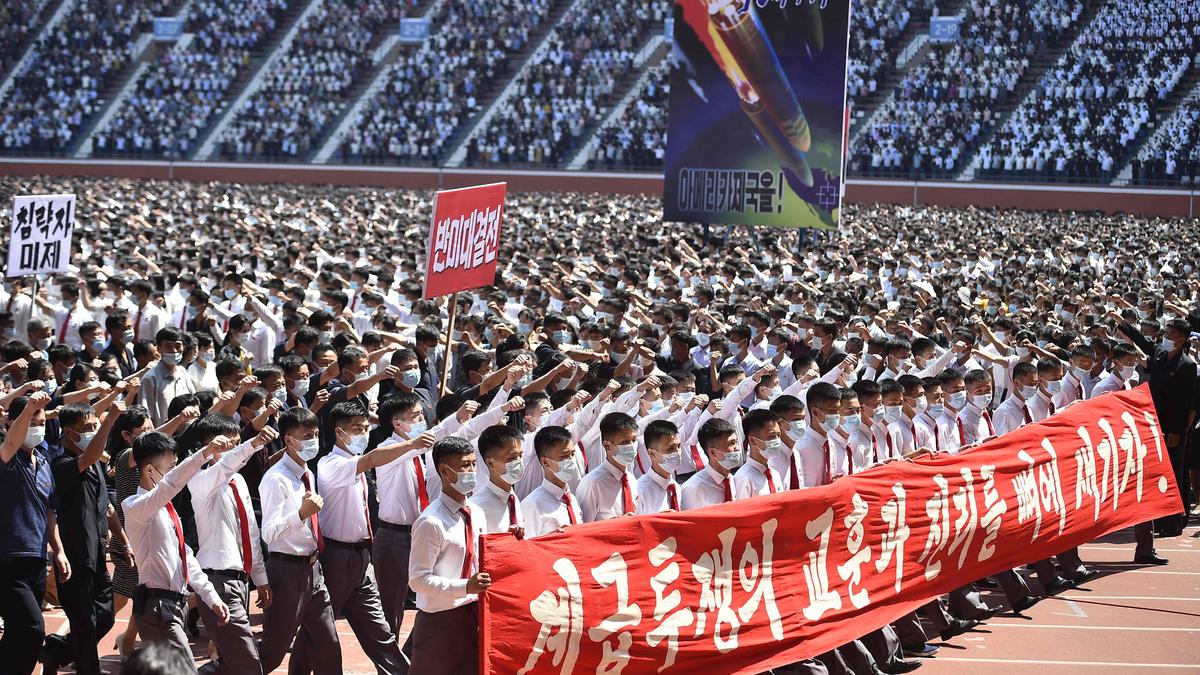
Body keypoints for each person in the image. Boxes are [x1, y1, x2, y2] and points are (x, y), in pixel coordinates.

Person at [307, 402, 407, 673]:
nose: (363, 433)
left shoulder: (355, 465)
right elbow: (371, 459)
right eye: (356, 429)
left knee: (380, 633)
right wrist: (412, 444)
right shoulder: (331, 465)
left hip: (362, 557)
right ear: (340, 433)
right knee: (319, 635)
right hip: (337, 559)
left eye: (366, 428)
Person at [122, 431, 231, 671]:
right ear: (150, 470)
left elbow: (186, 557)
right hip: (158, 609)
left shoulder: (165, 510)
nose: (174, 473)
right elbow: (172, 484)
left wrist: (210, 596)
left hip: (174, 607)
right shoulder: (136, 507)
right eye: (170, 467)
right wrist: (205, 453)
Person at [187, 417, 277, 675]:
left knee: (231, 662)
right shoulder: (200, 481)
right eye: (232, 444)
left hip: (241, 582)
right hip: (217, 582)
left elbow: (250, 532)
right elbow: (224, 466)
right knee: (247, 662)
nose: (239, 449)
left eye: (240, 443)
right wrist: (253, 444)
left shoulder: (238, 481)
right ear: (211, 446)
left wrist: (259, 577)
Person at [43, 399, 126, 675]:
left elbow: (108, 508)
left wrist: (122, 541)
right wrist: (110, 419)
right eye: (86, 427)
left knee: (105, 616)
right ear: (68, 432)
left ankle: (57, 649)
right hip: (74, 558)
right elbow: (89, 456)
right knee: (84, 624)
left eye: (95, 426)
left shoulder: (96, 467)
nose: (92, 430)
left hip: (98, 555)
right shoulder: (62, 464)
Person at [257, 407, 342, 674]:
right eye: (306, 436)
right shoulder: (276, 479)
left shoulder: (307, 473)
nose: (313, 441)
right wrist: (301, 514)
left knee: (327, 643)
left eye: (315, 434)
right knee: (273, 651)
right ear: (289, 440)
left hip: (313, 568)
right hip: (286, 571)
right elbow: (268, 534)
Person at [408, 436, 492, 674]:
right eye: (465, 465)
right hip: (440, 621)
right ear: (445, 470)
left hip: (473, 615)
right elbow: (417, 580)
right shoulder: (430, 522)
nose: (472, 471)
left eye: (473, 464)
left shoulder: (475, 511)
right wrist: (466, 586)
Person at [1113, 314, 1196, 542]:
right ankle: (1160, 518)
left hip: (1173, 429)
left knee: (1175, 474)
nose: (1166, 337)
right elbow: (1142, 341)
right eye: (1166, 332)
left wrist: (1177, 432)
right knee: (1157, 471)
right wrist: (1121, 322)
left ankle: (1175, 521)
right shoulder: (1159, 353)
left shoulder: (1187, 366)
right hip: (1152, 422)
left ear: (1180, 339)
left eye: (1170, 334)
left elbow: (1185, 402)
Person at [0, 392, 66, 675]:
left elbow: (49, 511)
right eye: (30, 421)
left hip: (37, 559)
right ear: (13, 423)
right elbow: (12, 441)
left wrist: (59, 550)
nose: (37, 427)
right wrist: (29, 407)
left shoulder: (44, 463)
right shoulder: (7, 455)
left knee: (19, 632)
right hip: (8, 559)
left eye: (41, 421)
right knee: (33, 627)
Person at [576, 412, 641, 521]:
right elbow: (584, 528)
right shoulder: (593, 484)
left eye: (633, 440)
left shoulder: (631, 479)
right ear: (607, 445)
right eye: (625, 442)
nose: (632, 446)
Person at [521, 425, 584, 536]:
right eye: (564, 456)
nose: (571, 461)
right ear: (545, 462)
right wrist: (550, 539)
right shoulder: (532, 504)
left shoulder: (572, 498)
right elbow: (528, 547)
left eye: (572, 454)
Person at [635, 419, 683, 513]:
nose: (677, 452)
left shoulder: (675, 487)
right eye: (670, 448)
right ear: (652, 453)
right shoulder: (640, 491)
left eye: (679, 446)